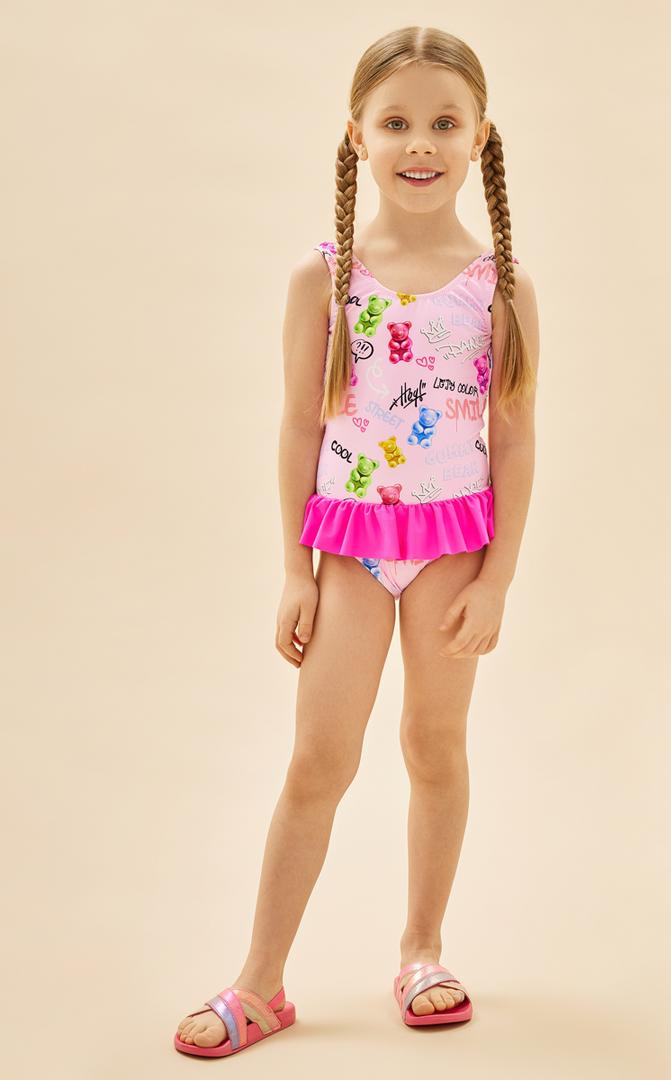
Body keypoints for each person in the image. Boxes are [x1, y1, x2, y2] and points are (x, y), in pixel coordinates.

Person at [175, 24, 539, 1058]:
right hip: (348, 550)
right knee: (318, 759)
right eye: (397, 122)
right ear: (357, 134)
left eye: (444, 122)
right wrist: (294, 569)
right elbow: (300, 424)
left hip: (452, 548)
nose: (420, 143)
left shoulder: (500, 288)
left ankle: (422, 949)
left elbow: (514, 437)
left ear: (479, 138)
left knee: (434, 746)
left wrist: (498, 580)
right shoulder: (324, 279)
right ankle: (262, 981)